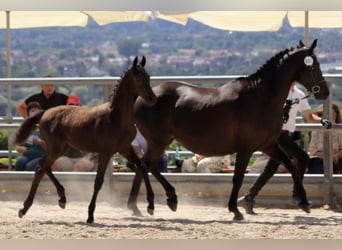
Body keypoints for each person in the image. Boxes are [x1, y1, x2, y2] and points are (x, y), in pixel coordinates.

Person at [240, 81, 332, 209]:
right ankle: (297, 195)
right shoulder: (275, 91)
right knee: (303, 158)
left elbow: (309, 117)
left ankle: (249, 197)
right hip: (277, 134)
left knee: (271, 168)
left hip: (285, 135)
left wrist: (322, 120)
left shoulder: (299, 94)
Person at [51, 95, 96, 172]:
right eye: (71, 106)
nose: (73, 108)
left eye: (75, 105)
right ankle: (61, 183)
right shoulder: (61, 124)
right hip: (68, 158)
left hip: (86, 157)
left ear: (80, 106)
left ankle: (76, 184)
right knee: (54, 165)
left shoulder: (88, 122)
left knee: (79, 166)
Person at [308, 104, 342, 174]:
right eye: (320, 115)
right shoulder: (316, 131)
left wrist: (336, 156)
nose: (322, 117)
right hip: (320, 159)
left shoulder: (340, 130)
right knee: (315, 164)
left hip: (337, 159)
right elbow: (312, 150)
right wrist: (326, 156)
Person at [14, 102, 46, 171]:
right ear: (28, 114)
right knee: (20, 163)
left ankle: (31, 181)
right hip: (27, 155)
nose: (35, 112)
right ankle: (17, 181)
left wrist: (41, 142)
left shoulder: (45, 127)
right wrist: (21, 148)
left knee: (30, 166)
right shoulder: (25, 128)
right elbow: (17, 146)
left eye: (37, 111)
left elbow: (49, 148)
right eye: (32, 111)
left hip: (40, 156)